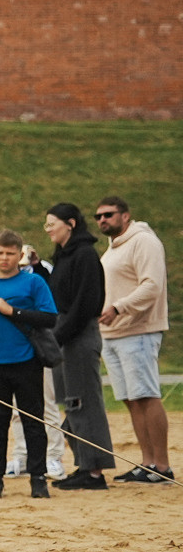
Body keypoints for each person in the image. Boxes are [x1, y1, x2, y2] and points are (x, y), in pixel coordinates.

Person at [0, 229, 60, 498]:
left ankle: (38, 477)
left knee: (33, 420)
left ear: (20, 255)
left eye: (10, 253)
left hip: (27, 361)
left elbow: (50, 319)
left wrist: (14, 311)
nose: (5, 258)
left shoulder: (34, 284)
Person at [38, 203, 114, 489]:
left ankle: (94, 472)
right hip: (64, 334)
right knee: (70, 403)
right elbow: (58, 293)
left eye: (51, 223)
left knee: (85, 402)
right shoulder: (65, 256)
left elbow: (85, 304)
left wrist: (57, 337)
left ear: (70, 223)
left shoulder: (84, 255)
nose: (48, 229)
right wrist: (37, 268)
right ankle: (84, 464)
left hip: (78, 336)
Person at [97, 196, 171, 483]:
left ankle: (163, 466)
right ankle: (147, 462)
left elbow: (152, 285)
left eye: (109, 214)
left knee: (146, 395)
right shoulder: (113, 248)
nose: (103, 219)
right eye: (98, 216)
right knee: (130, 399)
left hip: (138, 330)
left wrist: (119, 307)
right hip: (112, 332)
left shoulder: (144, 241)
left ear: (125, 216)